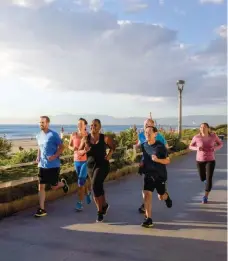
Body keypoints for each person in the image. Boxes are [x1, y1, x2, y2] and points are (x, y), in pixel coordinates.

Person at [79, 119, 116, 222]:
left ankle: (99, 212)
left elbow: (113, 146)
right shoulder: (85, 138)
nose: (92, 127)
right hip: (90, 166)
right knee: (98, 186)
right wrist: (84, 151)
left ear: (100, 127)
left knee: (94, 186)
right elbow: (78, 152)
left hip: (103, 165)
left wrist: (109, 155)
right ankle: (104, 205)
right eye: (91, 125)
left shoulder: (105, 138)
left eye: (95, 125)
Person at [35, 116, 69, 217]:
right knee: (41, 186)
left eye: (43, 122)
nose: (41, 124)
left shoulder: (53, 135)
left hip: (53, 165)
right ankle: (42, 209)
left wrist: (54, 156)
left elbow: (62, 147)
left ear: (48, 123)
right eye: (40, 122)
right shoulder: (38, 135)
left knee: (54, 186)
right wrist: (38, 157)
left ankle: (63, 184)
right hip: (42, 165)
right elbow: (40, 147)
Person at [141, 126, 172, 228]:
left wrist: (158, 160)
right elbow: (144, 157)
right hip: (148, 175)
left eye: (150, 132)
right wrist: (141, 164)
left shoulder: (160, 146)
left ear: (155, 134)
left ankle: (166, 196)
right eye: (146, 132)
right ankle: (149, 219)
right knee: (147, 195)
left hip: (160, 175)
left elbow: (168, 160)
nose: (147, 134)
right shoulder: (144, 145)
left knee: (160, 196)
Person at [137, 118, 169, 214]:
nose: (146, 126)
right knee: (146, 190)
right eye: (145, 124)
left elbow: (165, 147)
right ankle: (145, 207)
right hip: (146, 164)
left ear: (153, 126)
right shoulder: (142, 135)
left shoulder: (158, 136)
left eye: (148, 124)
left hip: (158, 166)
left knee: (160, 195)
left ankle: (165, 195)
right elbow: (140, 145)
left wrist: (159, 156)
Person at [189, 122, 223, 203]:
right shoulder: (196, 137)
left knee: (209, 178)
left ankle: (205, 196)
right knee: (202, 177)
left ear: (208, 128)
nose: (202, 128)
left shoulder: (213, 136)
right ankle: (206, 181)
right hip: (200, 160)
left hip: (210, 160)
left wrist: (214, 148)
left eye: (204, 127)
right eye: (201, 127)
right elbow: (190, 146)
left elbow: (220, 144)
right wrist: (197, 148)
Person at [68, 118, 92, 211]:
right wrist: (72, 148)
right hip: (76, 161)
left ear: (85, 125)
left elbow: (89, 148)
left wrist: (85, 150)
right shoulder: (73, 134)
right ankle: (88, 192)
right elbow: (69, 145)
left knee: (80, 182)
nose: (79, 125)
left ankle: (80, 203)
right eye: (78, 124)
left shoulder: (88, 136)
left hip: (85, 161)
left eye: (81, 124)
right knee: (82, 181)